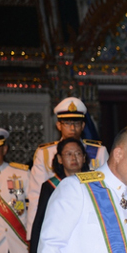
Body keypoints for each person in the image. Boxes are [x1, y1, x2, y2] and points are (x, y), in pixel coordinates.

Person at [28, 97, 107, 236]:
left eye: (76, 123)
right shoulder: (45, 153)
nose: (72, 128)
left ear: (83, 126)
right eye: (67, 123)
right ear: (58, 125)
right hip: (56, 219)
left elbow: (105, 191)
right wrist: (33, 233)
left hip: (88, 220)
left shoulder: (98, 152)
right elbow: (36, 196)